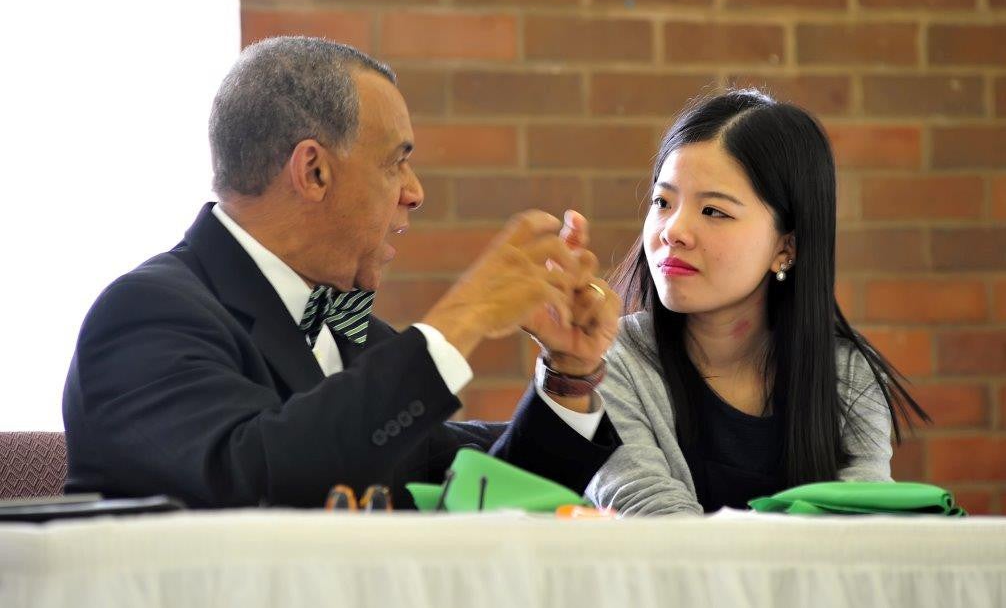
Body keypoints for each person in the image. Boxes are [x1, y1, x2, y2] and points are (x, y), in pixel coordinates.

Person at [62, 36, 622, 509]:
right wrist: (465, 316)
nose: (415, 192)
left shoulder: (359, 338)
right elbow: (255, 486)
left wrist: (567, 376)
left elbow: (475, 498)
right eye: (395, 161)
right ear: (314, 171)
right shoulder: (145, 315)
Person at [586, 90, 927, 515]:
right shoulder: (609, 361)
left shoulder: (847, 374)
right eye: (662, 202)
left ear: (786, 247)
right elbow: (655, 521)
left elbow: (859, 530)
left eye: (713, 211)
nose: (674, 231)